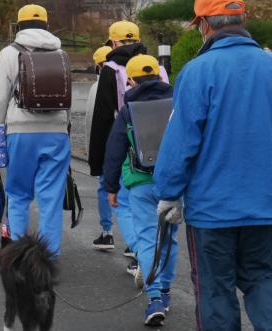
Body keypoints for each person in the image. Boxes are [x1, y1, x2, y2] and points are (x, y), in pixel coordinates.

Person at [154, 0, 272, 331]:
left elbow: (180, 142)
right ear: (243, 19)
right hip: (262, 206)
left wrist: (169, 192)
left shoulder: (198, 72)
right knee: (261, 278)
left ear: (203, 25)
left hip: (211, 210)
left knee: (215, 289)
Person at [103, 54, 178, 327]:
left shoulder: (129, 109)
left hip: (140, 181)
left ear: (131, 80)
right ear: (159, 76)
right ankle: (167, 293)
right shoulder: (176, 102)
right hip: (173, 183)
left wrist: (111, 186)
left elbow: (115, 149)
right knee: (170, 237)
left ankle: (155, 297)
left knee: (148, 239)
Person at [0, 4, 71, 256]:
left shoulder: (8, 53)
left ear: (18, 26)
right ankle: (49, 255)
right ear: (47, 26)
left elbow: (0, 99)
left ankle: (18, 251)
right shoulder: (61, 53)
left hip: (21, 131)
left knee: (18, 193)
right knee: (51, 196)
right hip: (57, 132)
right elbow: (67, 97)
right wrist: (63, 126)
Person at [88, 21, 148, 269]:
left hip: (125, 142)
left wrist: (99, 158)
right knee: (146, 203)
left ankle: (140, 253)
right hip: (155, 143)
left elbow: (102, 117)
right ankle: (146, 249)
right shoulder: (154, 65)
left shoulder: (110, 70)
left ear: (113, 42)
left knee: (122, 200)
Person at [87, 45, 116, 250]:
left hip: (107, 147)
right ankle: (133, 242)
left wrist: (93, 154)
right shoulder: (128, 77)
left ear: (98, 65)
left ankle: (107, 233)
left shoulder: (97, 88)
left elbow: (91, 123)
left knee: (105, 188)